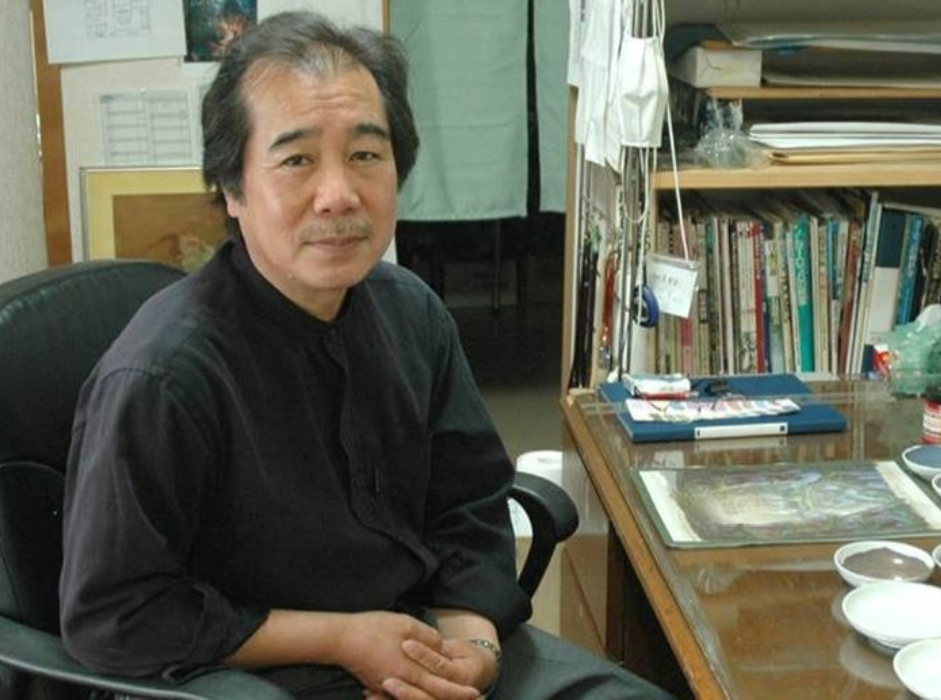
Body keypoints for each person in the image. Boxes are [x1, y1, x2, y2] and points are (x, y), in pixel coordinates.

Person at [59, 11, 671, 700]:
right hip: (256, 672)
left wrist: (473, 646)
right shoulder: (163, 376)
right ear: (232, 188)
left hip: (423, 639)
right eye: (296, 160)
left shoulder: (411, 311)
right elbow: (115, 615)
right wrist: (342, 640)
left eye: (365, 155)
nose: (340, 195)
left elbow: (468, 507)